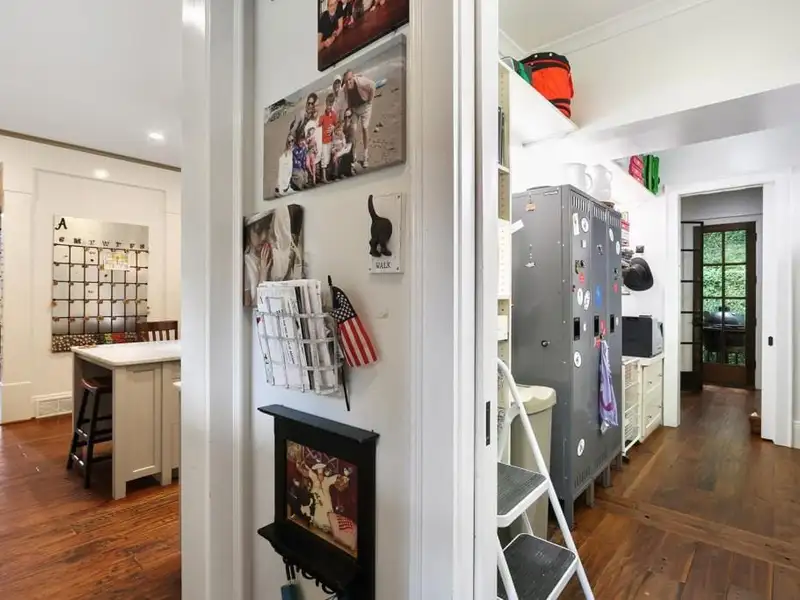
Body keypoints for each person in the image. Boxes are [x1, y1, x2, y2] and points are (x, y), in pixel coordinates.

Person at [342, 69, 376, 167]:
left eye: (350, 79)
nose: (348, 82)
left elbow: (373, 85)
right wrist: (349, 109)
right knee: (352, 131)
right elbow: (348, 99)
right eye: (346, 81)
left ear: (353, 77)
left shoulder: (360, 82)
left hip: (365, 106)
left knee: (365, 128)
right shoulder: (345, 88)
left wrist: (370, 100)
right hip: (355, 109)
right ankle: (354, 156)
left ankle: (365, 155)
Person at [318, 93, 338, 183]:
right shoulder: (322, 115)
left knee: (328, 158)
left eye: (331, 104)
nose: (329, 106)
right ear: (326, 103)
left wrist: (334, 127)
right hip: (323, 140)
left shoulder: (333, 114)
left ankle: (327, 176)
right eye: (328, 104)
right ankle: (324, 178)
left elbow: (337, 124)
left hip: (330, 140)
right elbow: (318, 125)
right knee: (324, 158)